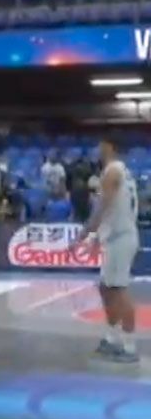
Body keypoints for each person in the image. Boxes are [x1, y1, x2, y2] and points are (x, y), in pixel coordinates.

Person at [78, 136, 141, 363]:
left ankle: (129, 346)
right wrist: (98, 237)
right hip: (116, 236)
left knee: (119, 290)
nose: (98, 148)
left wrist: (86, 232)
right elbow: (115, 208)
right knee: (105, 288)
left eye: (101, 145)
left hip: (121, 238)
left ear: (110, 147)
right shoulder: (122, 171)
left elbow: (102, 206)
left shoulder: (113, 171)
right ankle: (112, 337)